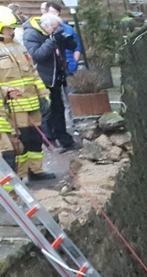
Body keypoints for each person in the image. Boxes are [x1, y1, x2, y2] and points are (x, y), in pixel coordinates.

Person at [0, 7, 54, 181]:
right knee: (20, 143)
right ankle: (21, 176)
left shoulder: (19, 46)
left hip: (32, 103)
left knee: (35, 139)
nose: (13, 31)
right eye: (9, 28)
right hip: (14, 108)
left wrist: (43, 95)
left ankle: (36, 171)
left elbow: (33, 73)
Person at [22, 11, 75, 150]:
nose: (57, 30)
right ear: (46, 26)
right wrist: (51, 41)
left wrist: (68, 40)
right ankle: (50, 142)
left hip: (56, 76)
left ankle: (64, 139)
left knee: (59, 108)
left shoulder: (52, 31)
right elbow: (36, 55)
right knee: (47, 112)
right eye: (55, 27)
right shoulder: (31, 34)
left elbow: (72, 47)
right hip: (42, 78)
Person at [40, 3, 80, 74]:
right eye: (52, 12)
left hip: (70, 65)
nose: (54, 15)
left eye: (56, 12)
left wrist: (75, 61)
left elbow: (77, 46)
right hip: (53, 68)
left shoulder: (68, 28)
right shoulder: (41, 30)